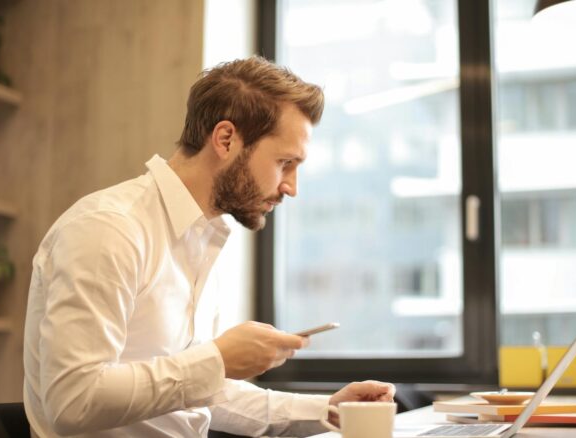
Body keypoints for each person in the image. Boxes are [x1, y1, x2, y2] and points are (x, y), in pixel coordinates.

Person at [23, 56, 395, 438]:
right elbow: (72, 402)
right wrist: (216, 360)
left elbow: (193, 393)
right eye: (285, 163)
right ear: (225, 139)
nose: (291, 187)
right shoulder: (108, 230)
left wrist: (326, 410)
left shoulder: (201, 238)